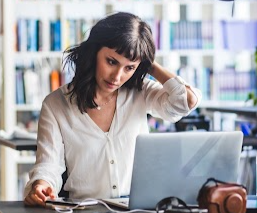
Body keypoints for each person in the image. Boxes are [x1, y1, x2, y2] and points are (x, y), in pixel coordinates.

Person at [24, 12, 201, 206]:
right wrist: (41, 185)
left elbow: (185, 102)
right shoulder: (56, 104)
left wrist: (148, 63)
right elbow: (48, 165)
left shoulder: (140, 91)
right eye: (111, 61)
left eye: (129, 68)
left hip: (138, 208)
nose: (117, 76)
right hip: (86, 209)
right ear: (94, 53)